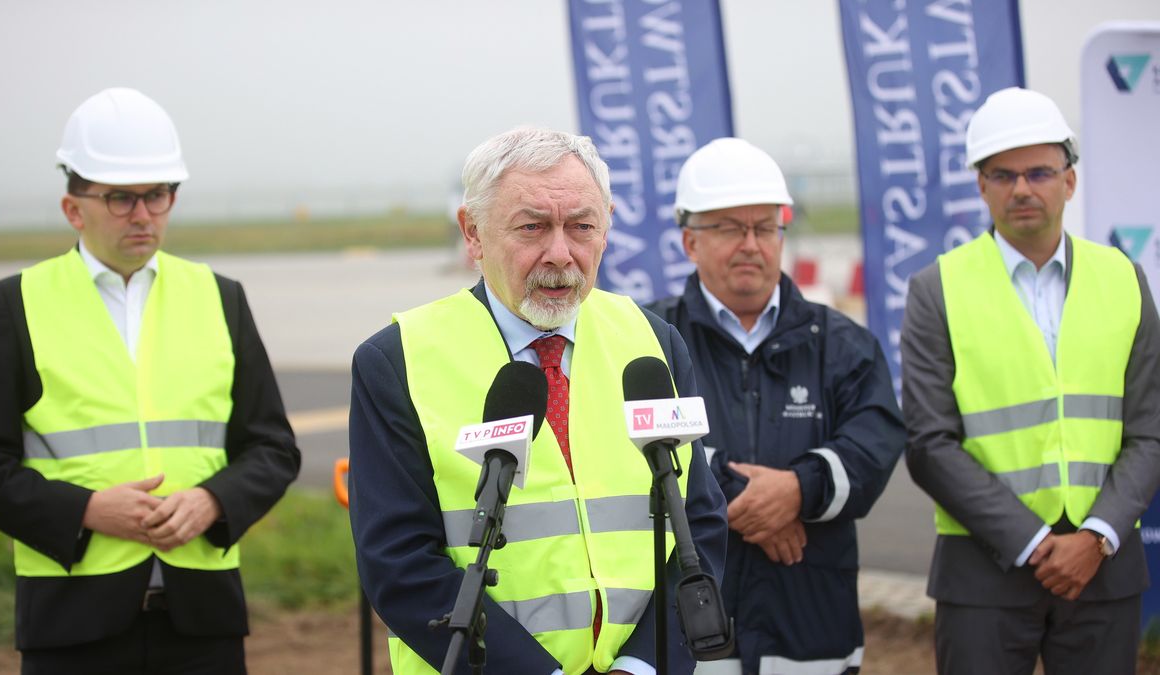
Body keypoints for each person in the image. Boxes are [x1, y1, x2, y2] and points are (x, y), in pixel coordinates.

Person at [348, 127, 728, 674]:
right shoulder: (399, 360)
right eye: (532, 227)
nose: (560, 253)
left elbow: (700, 525)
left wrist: (642, 666)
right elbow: (399, 564)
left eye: (581, 227)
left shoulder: (653, 342)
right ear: (473, 233)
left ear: (608, 226)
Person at [0, 87, 301, 674]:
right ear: (74, 208)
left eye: (159, 195)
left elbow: (272, 448)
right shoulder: (14, 304)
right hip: (70, 625)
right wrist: (86, 511)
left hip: (203, 622)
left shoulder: (220, 299)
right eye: (121, 198)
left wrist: (212, 501)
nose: (143, 214)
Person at [903, 86, 1160, 674]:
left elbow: (1150, 429)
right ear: (982, 185)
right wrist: (1035, 542)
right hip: (985, 572)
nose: (1022, 188)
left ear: (1069, 181)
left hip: (1103, 568)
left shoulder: (1123, 278)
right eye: (1003, 174)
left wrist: (1095, 536)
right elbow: (928, 443)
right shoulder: (937, 289)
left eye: (1039, 172)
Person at [647, 138, 904, 674]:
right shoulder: (647, 341)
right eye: (728, 228)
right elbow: (635, 439)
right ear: (690, 241)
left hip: (812, 636)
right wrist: (751, 499)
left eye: (765, 227)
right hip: (689, 637)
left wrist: (797, 490)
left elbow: (875, 441)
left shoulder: (843, 344)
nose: (750, 244)